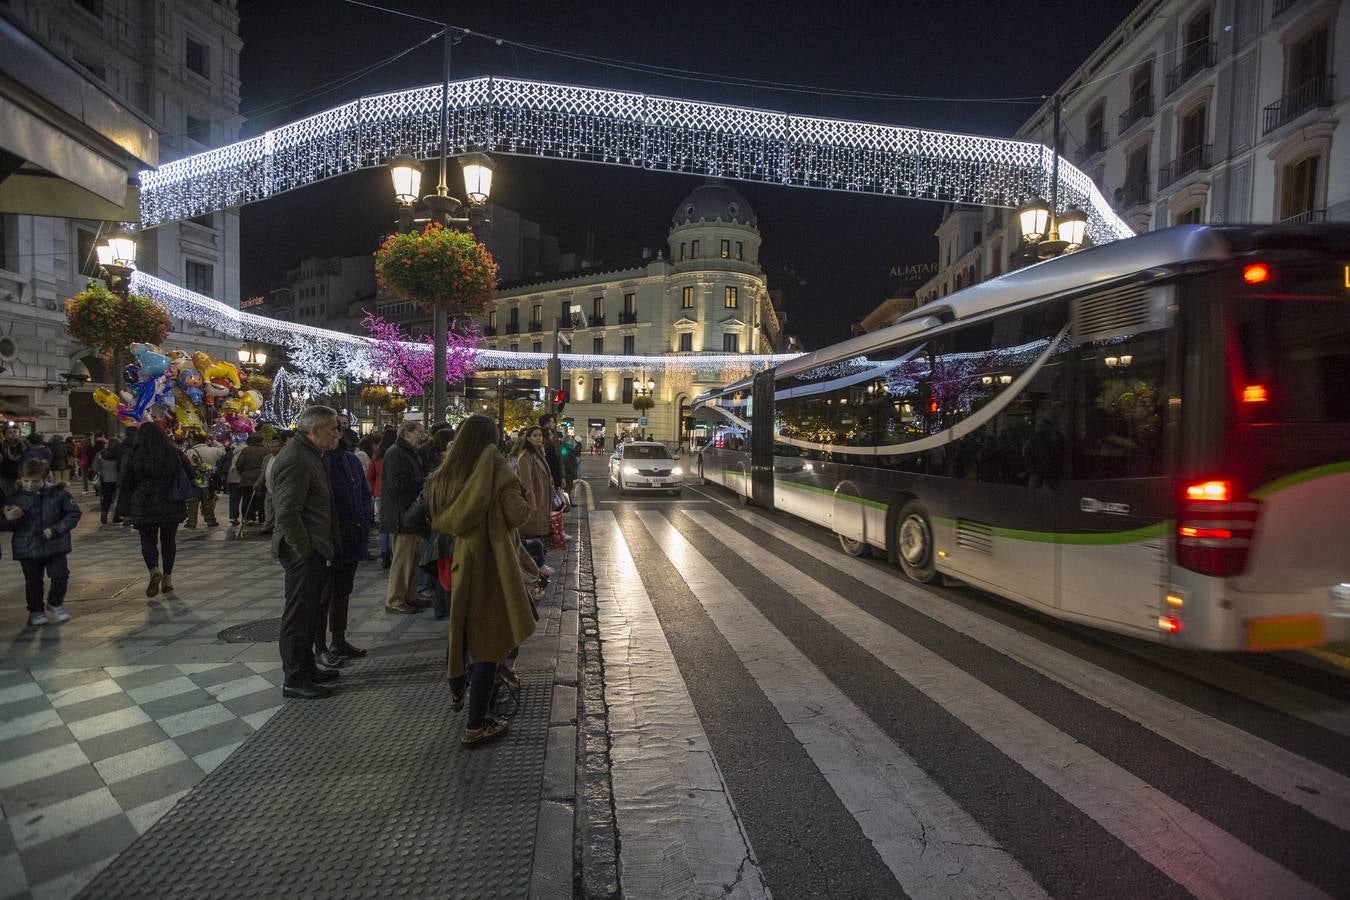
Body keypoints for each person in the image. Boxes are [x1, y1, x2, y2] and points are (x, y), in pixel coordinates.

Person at [424, 415, 537, 747]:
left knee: (464, 633)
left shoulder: (445, 473)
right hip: (492, 562)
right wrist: (520, 490)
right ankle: (476, 724)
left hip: (459, 559)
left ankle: (460, 690)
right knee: (490, 643)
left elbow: (435, 512)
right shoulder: (497, 471)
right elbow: (518, 514)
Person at [270, 405, 343, 699]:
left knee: (310, 611)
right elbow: (287, 512)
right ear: (315, 431)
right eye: (333, 429)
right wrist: (304, 549)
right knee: (299, 614)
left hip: (314, 546)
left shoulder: (311, 454)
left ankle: (307, 667)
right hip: (303, 549)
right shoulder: (297, 458)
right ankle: (295, 678)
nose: (338, 434)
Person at [316, 431, 373, 667]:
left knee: (342, 590)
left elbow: (363, 493)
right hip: (326, 538)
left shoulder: (349, 460)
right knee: (323, 594)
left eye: (338, 430)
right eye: (331, 429)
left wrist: (363, 522)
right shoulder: (315, 460)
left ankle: (338, 639)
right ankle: (319, 646)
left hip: (351, 534)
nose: (335, 435)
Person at [117, 423, 194, 597]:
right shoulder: (174, 453)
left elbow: (124, 482)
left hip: (144, 504)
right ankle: (168, 577)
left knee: (147, 542)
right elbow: (190, 473)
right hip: (170, 502)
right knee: (169, 541)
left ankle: (154, 570)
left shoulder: (134, 454)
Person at [2, 459, 81, 626]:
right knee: (33, 581)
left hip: (55, 544)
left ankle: (55, 603)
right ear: (20, 479)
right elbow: (3, 523)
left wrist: (56, 529)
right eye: (26, 481)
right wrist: (9, 519)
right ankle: (36, 611)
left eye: (35, 481)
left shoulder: (59, 494)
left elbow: (73, 514)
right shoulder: (14, 498)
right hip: (27, 546)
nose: (30, 485)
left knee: (60, 575)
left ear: (45, 478)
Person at [380, 420, 429, 614]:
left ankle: (409, 594)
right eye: (419, 432)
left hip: (412, 514)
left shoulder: (411, 453)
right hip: (402, 514)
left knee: (413, 558)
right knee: (402, 559)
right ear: (406, 433)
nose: (422, 435)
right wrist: (423, 481)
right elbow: (398, 484)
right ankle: (395, 599)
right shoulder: (395, 453)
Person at [514, 426, 554, 545]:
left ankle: (539, 560)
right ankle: (536, 561)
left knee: (539, 535)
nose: (538, 438)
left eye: (540, 435)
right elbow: (526, 483)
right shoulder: (526, 456)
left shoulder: (538, 453)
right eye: (535, 436)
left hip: (542, 499)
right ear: (528, 439)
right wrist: (532, 504)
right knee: (532, 534)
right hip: (535, 500)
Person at [367, 428, 396, 567]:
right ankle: (393, 553)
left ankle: (385, 556)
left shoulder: (377, 454)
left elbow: (369, 475)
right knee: (394, 525)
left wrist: (375, 487)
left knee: (383, 527)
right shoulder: (396, 453)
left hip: (379, 493)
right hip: (393, 493)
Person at [185, 433, 225, 527]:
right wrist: (213, 440)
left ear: (195, 441)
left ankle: (192, 521)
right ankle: (210, 520)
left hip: (196, 479)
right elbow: (223, 450)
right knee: (208, 501)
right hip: (209, 479)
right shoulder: (213, 450)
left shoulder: (190, 452)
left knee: (193, 502)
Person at [234, 434, 268, 524]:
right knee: (262, 500)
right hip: (262, 478)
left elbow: (239, 464)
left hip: (247, 478)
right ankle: (263, 518)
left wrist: (243, 473)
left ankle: (247, 518)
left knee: (247, 499)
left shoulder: (246, 450)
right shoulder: (266, 451)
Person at [93, 438, 122, 524]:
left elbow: (95, 467)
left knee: (106, 497)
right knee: (117, 498)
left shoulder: (100, 454)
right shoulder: (119, 455)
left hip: (105, 479)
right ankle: (115, 516)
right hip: (117, 478)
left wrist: (100, 472)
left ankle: (104, 513)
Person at [537, 415, 564, 488]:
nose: (554, 424)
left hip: (555, 472)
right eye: (552, 422)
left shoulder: (555, 437)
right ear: (546, 423)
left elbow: (559, 458)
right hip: (544, 473)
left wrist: (562, 476)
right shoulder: (540, 438)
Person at [1, 424, 25, 495]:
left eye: (15, 432)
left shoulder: (25, 445)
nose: (13, 434)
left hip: (23, 475)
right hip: (6, 476)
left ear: (19, 433)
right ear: (4, 435)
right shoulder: (2, 446)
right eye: (9, 432)